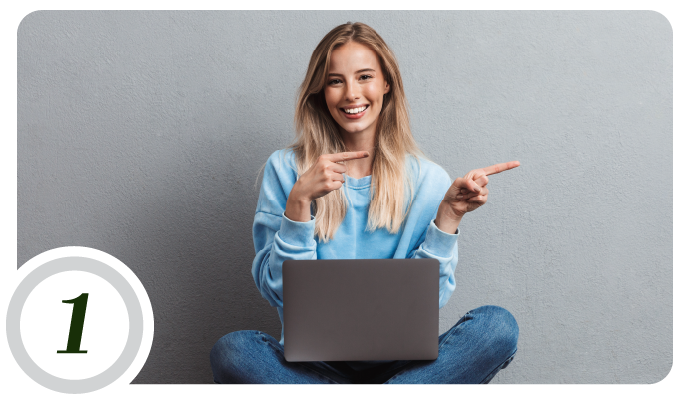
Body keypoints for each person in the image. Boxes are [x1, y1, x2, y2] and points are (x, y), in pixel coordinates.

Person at [210, 22, 519, 385]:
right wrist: (298, 203)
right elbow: (278, 293)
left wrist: (448, 216)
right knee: (233, 350)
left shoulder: (428, 178)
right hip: (313, 369)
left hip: (406, 368)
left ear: (386, 83)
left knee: (497, 326)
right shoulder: (286, 169)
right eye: (336, 80)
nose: (351, 94)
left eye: (365, 77)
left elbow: (428, 301)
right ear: (321, 91)